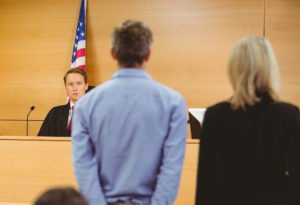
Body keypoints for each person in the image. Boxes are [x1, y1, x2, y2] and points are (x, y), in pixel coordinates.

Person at [72, 20, 187, 205]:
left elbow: (84, 167)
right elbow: (171, 169)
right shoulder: (173, 103)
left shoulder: (86, 105)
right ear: (148, 55)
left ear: (113, 53)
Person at [196, 36, 300, 205]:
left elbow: (207, 186)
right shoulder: (290, 116)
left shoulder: (215, 116)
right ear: (270, 69)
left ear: (234, 69)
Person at [38, 68, 88, 136]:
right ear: (66, 87)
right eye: (70, 84)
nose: (75, 88)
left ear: (86, 86)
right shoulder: (55, 113)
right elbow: (41, 140)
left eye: (79, 83)